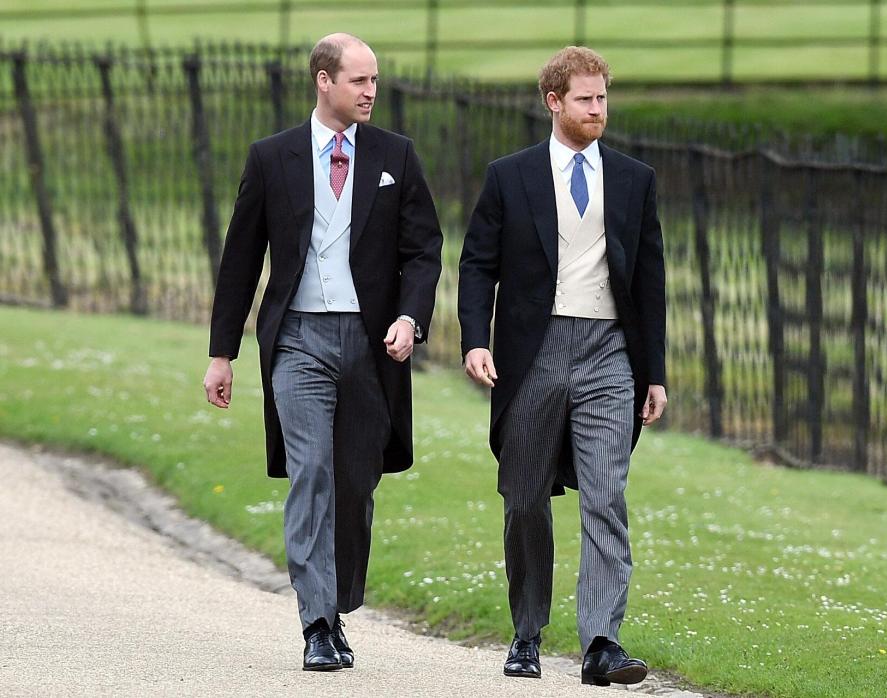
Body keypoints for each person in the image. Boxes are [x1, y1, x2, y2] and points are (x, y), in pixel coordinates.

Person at [202, 33, 442, 672]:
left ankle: (336, 605)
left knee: (354, 483)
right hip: (298, 341)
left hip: (370, 345)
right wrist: (221, 352)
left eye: (375, 81)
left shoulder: (397, 156)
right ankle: (315, 622)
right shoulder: (272, 157)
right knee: (311, 473)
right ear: (323, 81)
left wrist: (410, 318)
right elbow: (241, 258)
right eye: (360, 81)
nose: (371, 92)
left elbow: (425, 250)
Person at [457, 46, 667, 687]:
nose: (598, 109)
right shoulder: (510, 175)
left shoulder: (634, 179)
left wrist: (653, 371)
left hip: (609, 352)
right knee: (525, 499)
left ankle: (603, 641)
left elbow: (651, 279)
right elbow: (476, 264)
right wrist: (474, 340)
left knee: (607, 494)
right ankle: (526, 634)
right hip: (532, 353)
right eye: (585, 98)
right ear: (554, 102)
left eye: (603, 97)